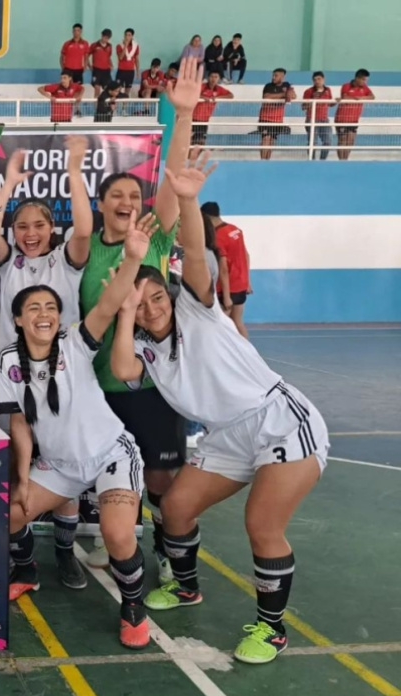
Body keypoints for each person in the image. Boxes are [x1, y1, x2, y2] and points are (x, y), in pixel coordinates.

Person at [111, 154, 329, 665]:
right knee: (177, 509)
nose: (151, 307)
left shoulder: (196, 306)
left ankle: (272, 630)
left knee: (262, 525)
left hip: (277, 418)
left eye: (154, 298)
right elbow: (122, 370)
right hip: (225, 434)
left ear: (169, 293)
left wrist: (186, 198)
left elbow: (191, 247)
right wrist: (125, 310)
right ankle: (187, 588)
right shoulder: (142, 345)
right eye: (140, 305)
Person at [0, 210, 160, 648]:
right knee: (11, 512)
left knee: (117, 534)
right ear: (17, 319)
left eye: (51, 307)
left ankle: (132, 604)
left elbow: (108, 305)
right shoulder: (10, 361)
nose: (44, 314)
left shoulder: (75, 341)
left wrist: (131, 259)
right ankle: (28, 570)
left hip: (110, 453)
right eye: (34, 308)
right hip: (61, 465)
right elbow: (19, 421)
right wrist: (23, 477)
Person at [78, 55, 200, 588]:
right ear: (101, 204)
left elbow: (175, 181)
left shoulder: (154, 236)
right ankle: (117, 541)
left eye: (133, 195)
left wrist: (183, 116)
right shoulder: (84, 251)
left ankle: (171, 557)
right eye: (116, 196)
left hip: (151, 384)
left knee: (157, 474)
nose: (127, 202)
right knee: (111, 475)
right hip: (100, 384)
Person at [0, 136, 93, 587]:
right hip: (14, 385)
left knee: (64, 469)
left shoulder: (67, 261)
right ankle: (23, 557)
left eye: (38, 225)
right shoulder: (8, 265)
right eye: (21, 225)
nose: (29, 233)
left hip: (64, 385)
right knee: (12, 471)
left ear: (51, 229)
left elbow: (83, 230)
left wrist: (75, 170)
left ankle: (65, 552)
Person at [201, 201, 250, 338]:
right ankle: (247, 356)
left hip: (227, 289)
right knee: (238, 322)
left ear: (207, 217)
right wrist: (247, 282)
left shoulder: (218, 236)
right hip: (241, 285)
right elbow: (246, 255)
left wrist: (227, 297)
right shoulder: (235, 230)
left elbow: (223, 269)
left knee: (218, 325)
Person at [336, 69, 374, 161]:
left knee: (350, 141)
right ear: (357, 78)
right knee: (343, 140)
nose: (365, 82)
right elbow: (344, 97)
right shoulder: (346, 86)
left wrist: (361, 98)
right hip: (342, 118)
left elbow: (372, 96)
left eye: (366, 80)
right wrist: (355, 98)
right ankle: (342, 161)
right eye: (363, 80)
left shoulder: (364, 87)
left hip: (354, 120)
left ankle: (346, 159)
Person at [192, 71, 233, 154]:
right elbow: (191, 93)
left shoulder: (219, 89)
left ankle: (194, 160)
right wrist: (203, 97)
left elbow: (231, 95)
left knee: (201, 142)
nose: (213, 79)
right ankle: (188, 160)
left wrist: (217, 97)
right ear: (208, 77)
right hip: (194, 118)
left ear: (219, 79)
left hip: (205, 120)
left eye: (216, 77)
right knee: (192, 142)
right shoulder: (202, 86)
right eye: (211, 76)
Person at [258, 68, 295, 160]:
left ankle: (267, 161)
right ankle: (262, 162)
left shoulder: (287, 85)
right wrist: (283, 95)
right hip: (265, 118)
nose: (273, 77)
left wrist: (289, 93)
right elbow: (267, 96)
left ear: (282, 77)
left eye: (276, 75)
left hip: (277, 119)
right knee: (265, 139)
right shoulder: (268, 86)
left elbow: (293, 96)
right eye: (273, 75)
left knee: (271, 141)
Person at [302, 71, 335, 161]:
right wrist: (313, 100)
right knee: (313, 142)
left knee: (328, 141)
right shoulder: (308, 91)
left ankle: (322, 161)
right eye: (315, 80)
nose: (317, 81)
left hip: (324, 120)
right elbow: (303, 107)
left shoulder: (328, 90)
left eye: (319, 79)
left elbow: (330, 104)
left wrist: (335, 102)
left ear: (323, 79)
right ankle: (312, 161)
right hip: (311, 119)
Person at [59, 24, 89, 91]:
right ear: (72, 32)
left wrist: (85, 66)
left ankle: (75, 102)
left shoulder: (85, 43)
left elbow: (86, 57)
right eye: (74, 30)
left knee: (78, 89)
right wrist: (63, 68)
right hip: (68, 69)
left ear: (81, 31)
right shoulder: (67, 43)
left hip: (79, 70)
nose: (76, 32)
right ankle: (68, 101)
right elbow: (61, 57)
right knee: (68, 88)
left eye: (78, 30)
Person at [88, 29, 114, 99]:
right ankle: (97, 109)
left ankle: (107, 108)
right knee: (97, 89)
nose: (105, 39)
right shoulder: (94, 45)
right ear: (102, 36)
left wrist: (111, 65)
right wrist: (89, 66)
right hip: (97, 70)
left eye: (107, 38)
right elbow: (87, 56)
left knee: (109, 89)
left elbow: (108, 57)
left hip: (106, 71)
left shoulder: (109, 46)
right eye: (104, 37)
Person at [115, 28, 139, 96]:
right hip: (121, 70)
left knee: (127, 91)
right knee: (117, 89)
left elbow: (137, 59)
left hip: (130, 71)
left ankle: (124, 106)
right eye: (126, 35)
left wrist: (137, 71)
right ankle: (115, 105)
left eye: (129, 35)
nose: (127, 37)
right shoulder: (119, 45)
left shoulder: (136, 46)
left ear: (132, 36)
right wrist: (125, 45)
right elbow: (121, 57)